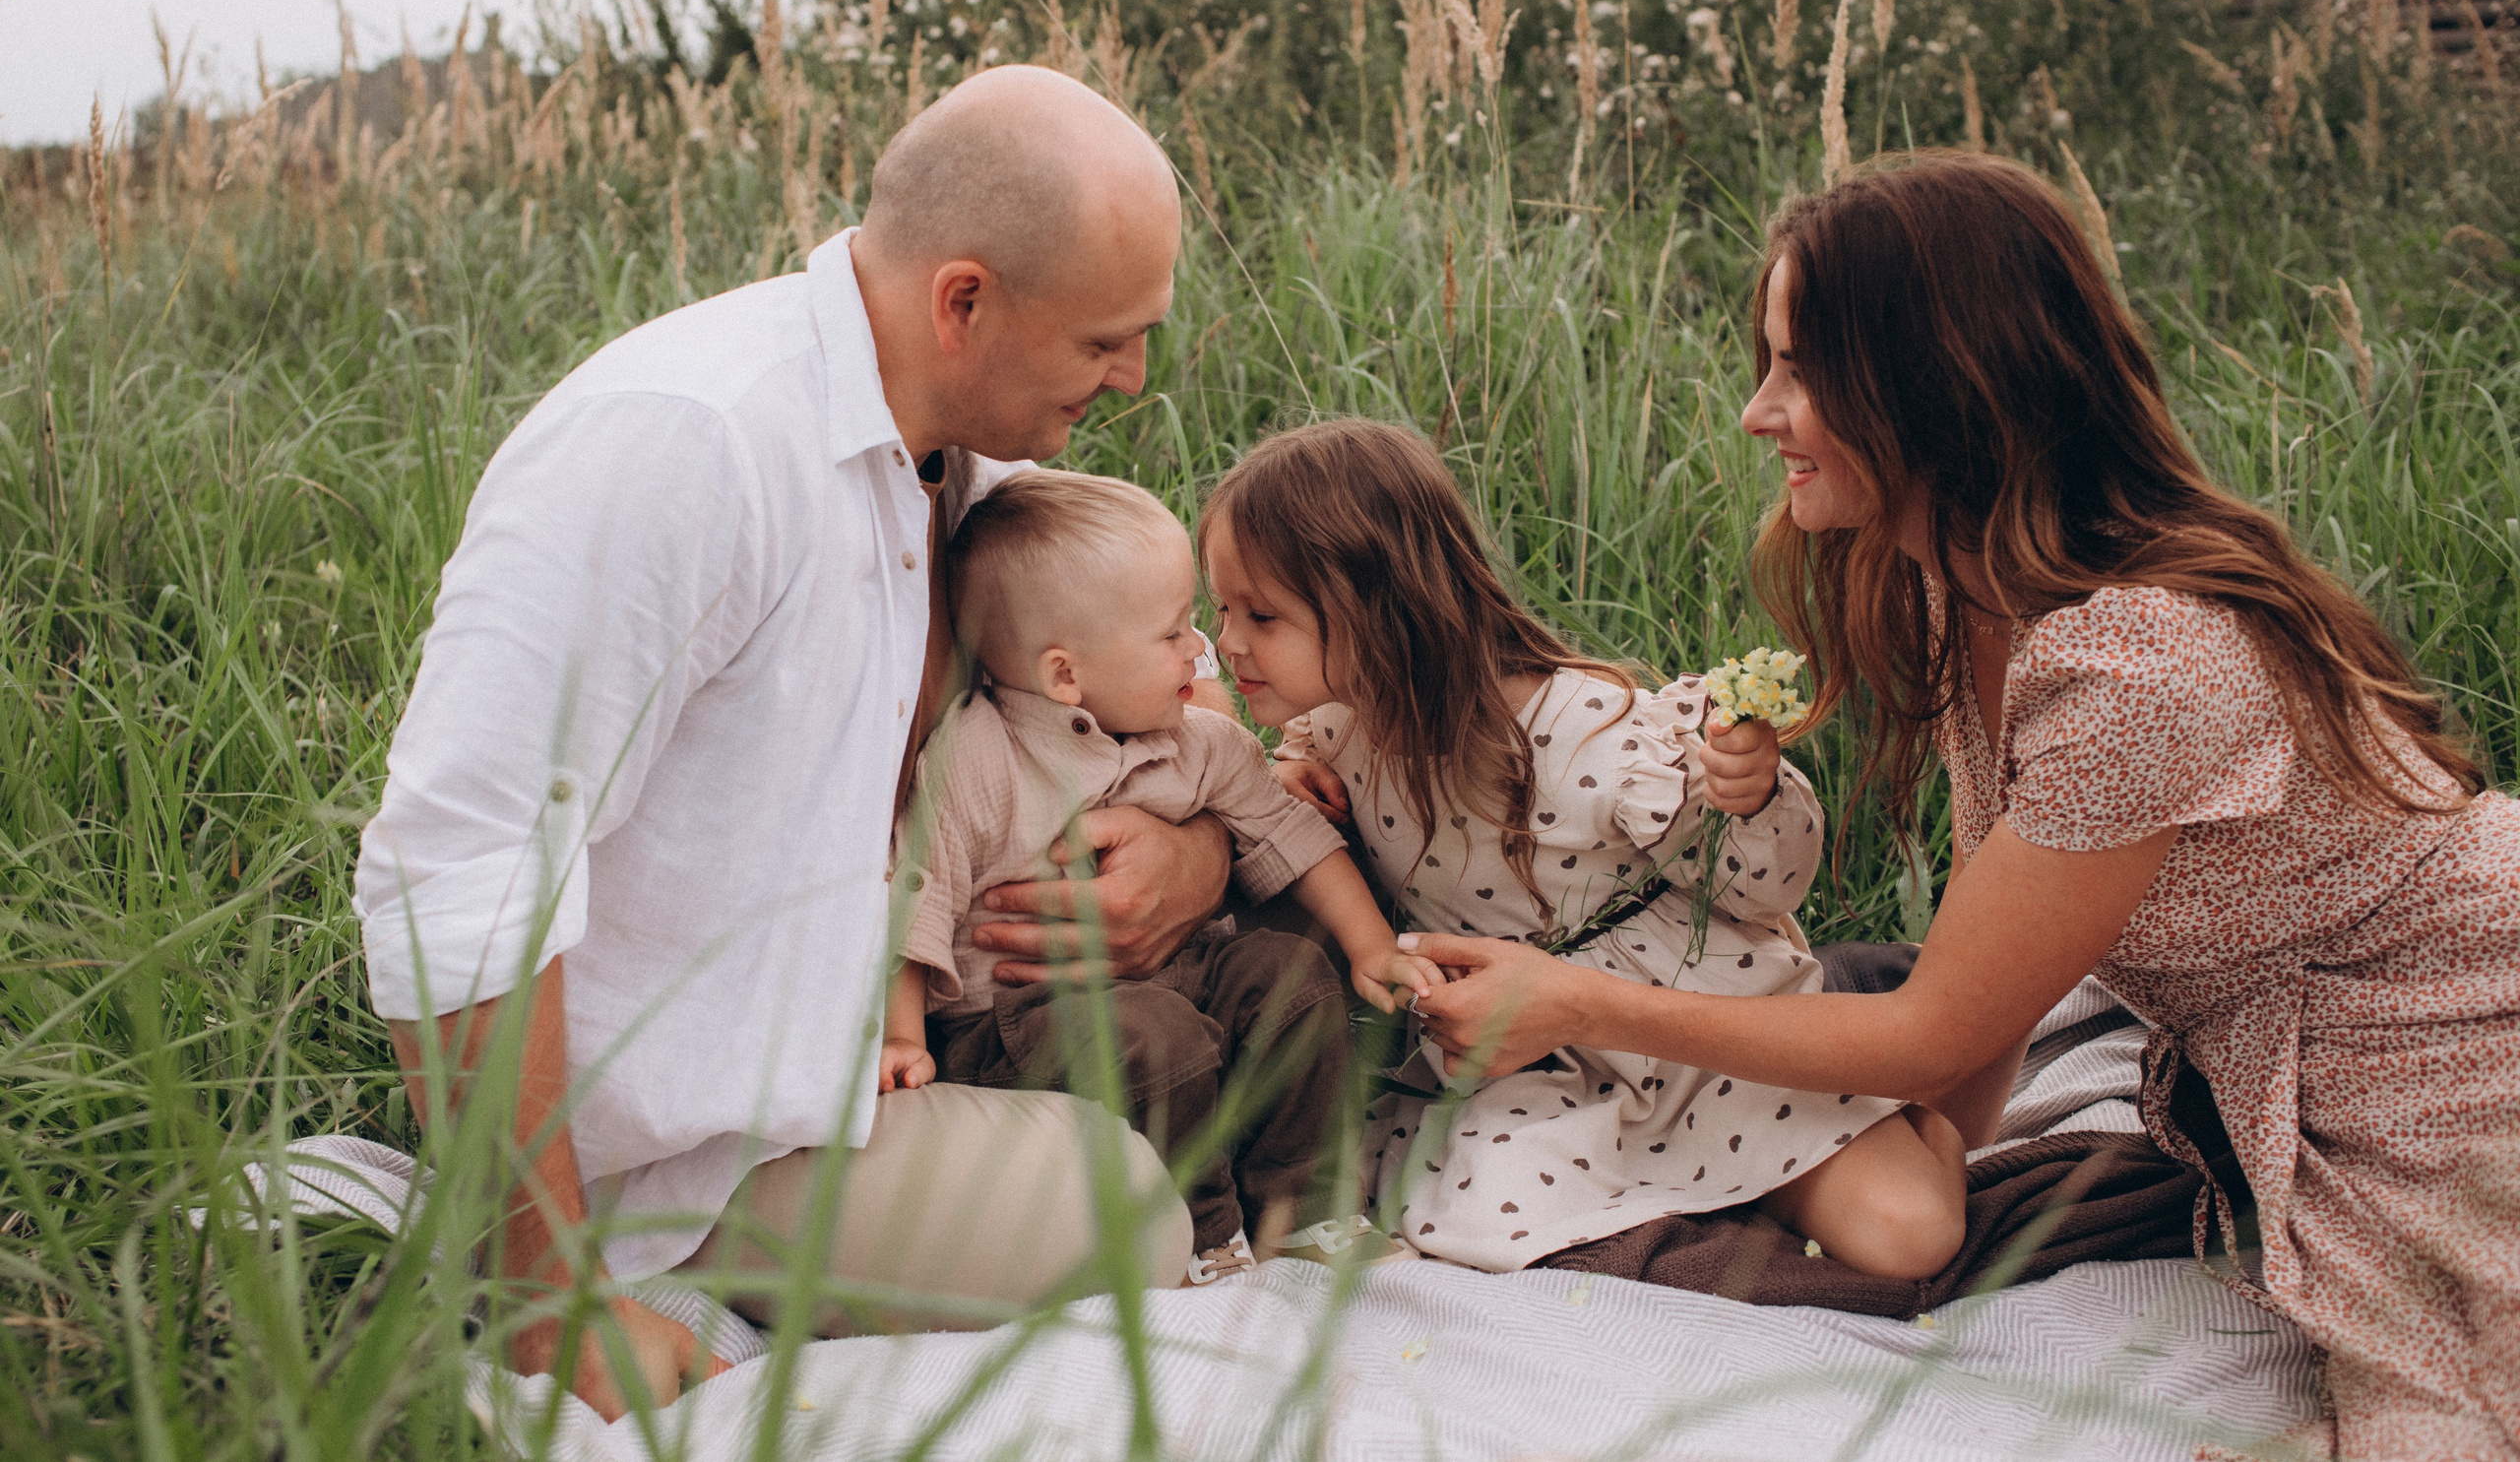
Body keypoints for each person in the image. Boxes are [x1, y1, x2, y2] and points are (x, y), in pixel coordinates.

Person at [1396, 152, 2519, 1460]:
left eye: (1800, 371)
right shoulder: (1964, 587)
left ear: (1934, 383)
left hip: (2453, 1019)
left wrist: (1577, 998)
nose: (1761, 413)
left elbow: (1933, 1024)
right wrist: (1939, 1177)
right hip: (2308, 1033)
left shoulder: (2141, 663)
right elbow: (1994, 954)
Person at [354, 66, 1243, 1419]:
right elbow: (456, 863)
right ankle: (607, 1278)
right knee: (1121, 1216)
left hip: (889, 1040)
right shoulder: (686, 443)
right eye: (1105, 343)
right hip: (683, 1136)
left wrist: (1191, 848)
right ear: (964, 301)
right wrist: (545, 1300)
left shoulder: (967, 453)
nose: (1132, 378)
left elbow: (1174, 679)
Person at [1203, 419, 1968, 1277]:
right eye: (1223, 610)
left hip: (1698, 1047)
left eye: (1260, 615)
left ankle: (1910, 1105)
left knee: (1911, 1235)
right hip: (1542, 1068)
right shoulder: (1341, 735)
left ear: (1378, 604)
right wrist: (1290, 782)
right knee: (1478, 1212)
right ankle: (1698, 1191)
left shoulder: (1583, 736)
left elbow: (1768, 888)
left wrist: (1749, 797)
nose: (1228, 642)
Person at [879, 468, 1436, 1281]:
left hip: (1176, 975)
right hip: (1013, 1020)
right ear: (1066, 675)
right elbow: (915, 892)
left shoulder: (1196, 741)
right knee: (1149, 1034)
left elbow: (1291, 831)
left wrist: (1371, 945)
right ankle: (1200, 1233)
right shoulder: (980, 758)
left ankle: (1304, 1208)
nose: (1200, 650)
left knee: (1291, 977)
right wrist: (901, 1033)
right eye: (1174, 633)